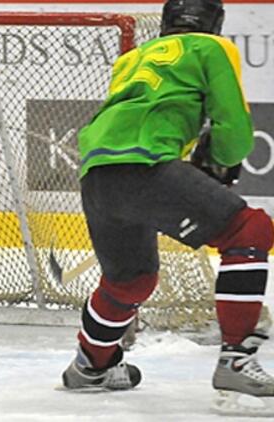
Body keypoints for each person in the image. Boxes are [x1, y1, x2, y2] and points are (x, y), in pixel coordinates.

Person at [61, 0, 274, 413]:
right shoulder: (210, 48)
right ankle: (236, 358)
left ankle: (91, 365)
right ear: (214, 22)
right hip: (146, 163)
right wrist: (223, 160)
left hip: (96, 172)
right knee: (250, 230)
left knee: (130, 280)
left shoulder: (134, 57)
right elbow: (233, 128)